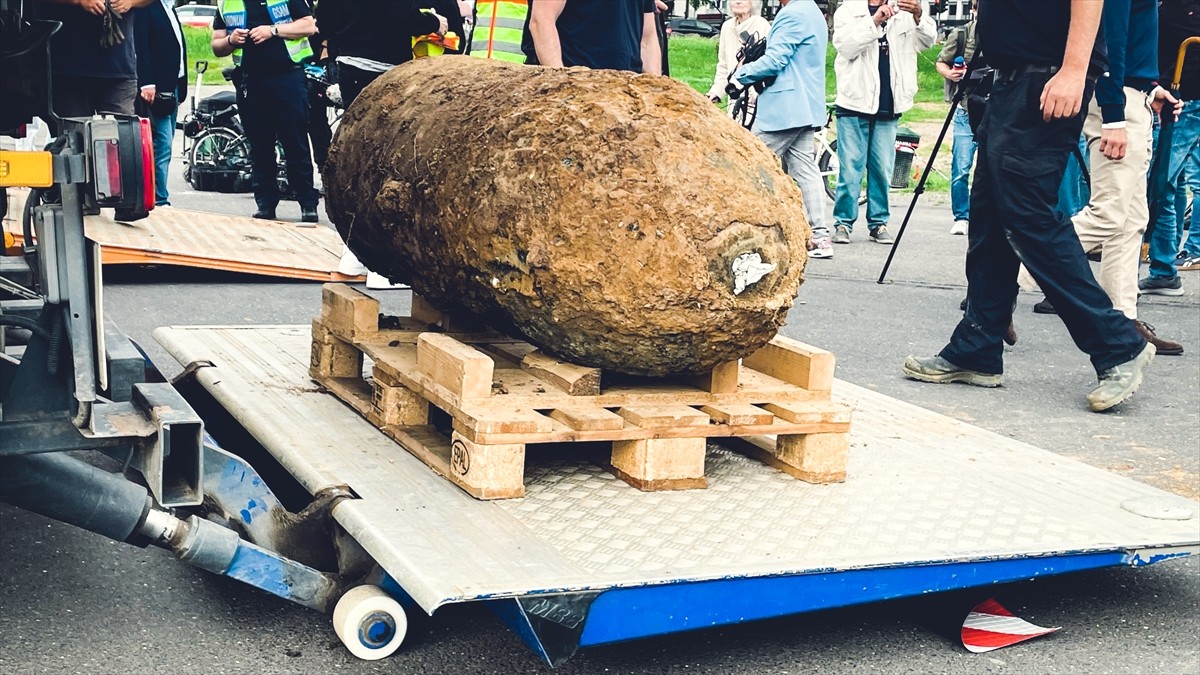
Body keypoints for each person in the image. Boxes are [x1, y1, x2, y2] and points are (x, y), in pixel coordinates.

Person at [903, 0, 1155, 413]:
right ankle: (978, 345)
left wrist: (1074, 70)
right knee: (989, 214)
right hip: (1012, 79)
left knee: (1028, 215)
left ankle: (1118, 344)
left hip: (1046, 76)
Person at [1062, 0, 1183, 355]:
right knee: (1109, 214)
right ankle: (1004, 278)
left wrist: (1149, 86)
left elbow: (1127, 37)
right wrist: (1114, 113)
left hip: (1133, 95)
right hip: (1119, 101)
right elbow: (1108, 40)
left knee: (1131, 219)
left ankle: (1123, 318)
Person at [829, 0, 935, 246]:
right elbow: (845, 47)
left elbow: (927, 42)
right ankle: (843, 223)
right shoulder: (848, 10)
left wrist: (919, 16)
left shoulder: (906, 12)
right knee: (851, 168)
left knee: (882, 169)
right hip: (854, 103)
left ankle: (878, 223)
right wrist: (874, 21)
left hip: (889, 104)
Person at [732, 0, 830, 259]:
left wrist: (741, 75)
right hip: (806, 104)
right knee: (805, 170)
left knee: (749, 163)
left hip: (786, 108)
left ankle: (748, 229)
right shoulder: (812, 11)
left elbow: (776, 60)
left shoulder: (791, 15)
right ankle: (820, 236)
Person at [212, 0, 321, 223]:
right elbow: (216, 45)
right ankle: (265, 204)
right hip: (250, 80)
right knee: (259, 146)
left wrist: (273, 31)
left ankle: (307, 203)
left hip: (287, 77)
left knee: (295, 142)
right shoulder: (226, 3)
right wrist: (231, 40)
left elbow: (309, 26)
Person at [1143, 0, 1200, 284]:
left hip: (1182, 100)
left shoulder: (1183, 8)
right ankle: (1163, 266)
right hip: (1177, 97)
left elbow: (1191, 54)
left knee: (1158, 182)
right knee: (1168, 184)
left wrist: (1162, 86)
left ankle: (1163, 266)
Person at [43, 0, 155, 118]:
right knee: (74, 132)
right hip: (69, 68)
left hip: (119, 68)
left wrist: (130, 2)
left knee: (118, 133)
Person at [133, 0, 187, 207]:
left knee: (166, 142)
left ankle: (158, 194)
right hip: (156, 88)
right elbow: (141, 47)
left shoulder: (170, 9)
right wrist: (147, 82)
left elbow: (179, 51)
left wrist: (181, 88)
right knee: (161, 144)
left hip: (172, 87)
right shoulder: (145, 8)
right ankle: (158, 197)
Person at [526, 0, 662, 75]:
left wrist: (655, 89)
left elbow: (647, 40)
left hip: (625, 89)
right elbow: (541, 21)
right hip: (578, 85)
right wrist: (561, 82)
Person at [934, 0, 977, 236]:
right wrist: (951, 73)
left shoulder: (1005, 35)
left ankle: (987, 216)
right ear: (974, 9)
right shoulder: (961, 34)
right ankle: (962, 216)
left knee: (994, 170)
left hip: (995, 111)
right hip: (965, 109)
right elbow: (941, 61)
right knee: (961, 167)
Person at [707, 0, 770, 109]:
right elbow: (724, 65)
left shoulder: (762, 24)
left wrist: (757, 92)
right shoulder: (727, 27)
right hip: (734, 94)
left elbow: (767, 63)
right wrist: (716, 92)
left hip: (755, 97)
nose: (738, 1)